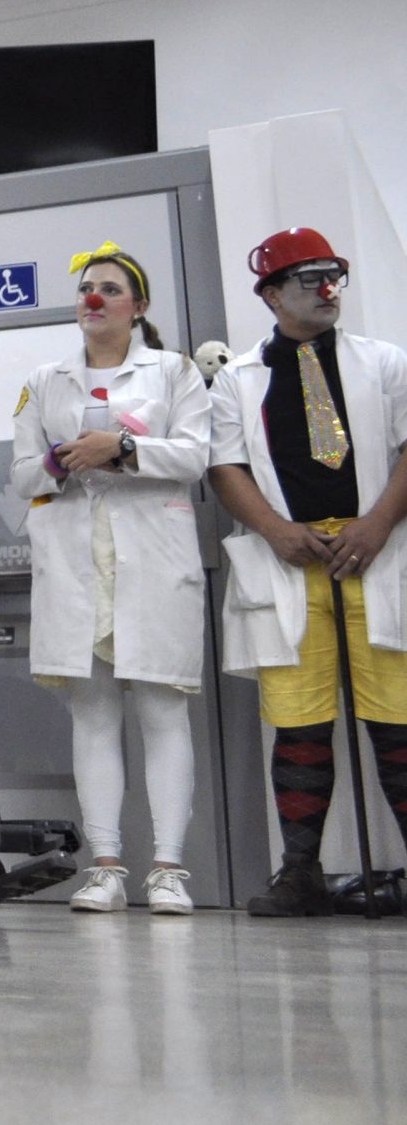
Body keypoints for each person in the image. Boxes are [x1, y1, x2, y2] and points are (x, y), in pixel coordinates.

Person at [207, 227, 407, 917]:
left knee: (398, 717)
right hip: (288, 561)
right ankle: (301, 873)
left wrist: (377, 523)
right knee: (299, 721)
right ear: (270, 294)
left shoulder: (386, 362)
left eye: (333, 278)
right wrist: (273, 530)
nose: (326, 291)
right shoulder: (237, 379)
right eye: (307, 280)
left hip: (376, 552)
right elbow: (225, 466)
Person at [9, 243, 211, 914]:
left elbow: (195, 455)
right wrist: (65, 462)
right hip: (76, 560)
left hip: (152, 558)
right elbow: (21, 477)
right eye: (87, 288)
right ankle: (106, 867)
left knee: (161, 711)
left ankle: (168, 871)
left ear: (139, 306)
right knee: (93, 716)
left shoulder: (174, 372)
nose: (93, 298)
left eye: (110, 289)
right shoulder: (45, 381)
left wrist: (124, 448)